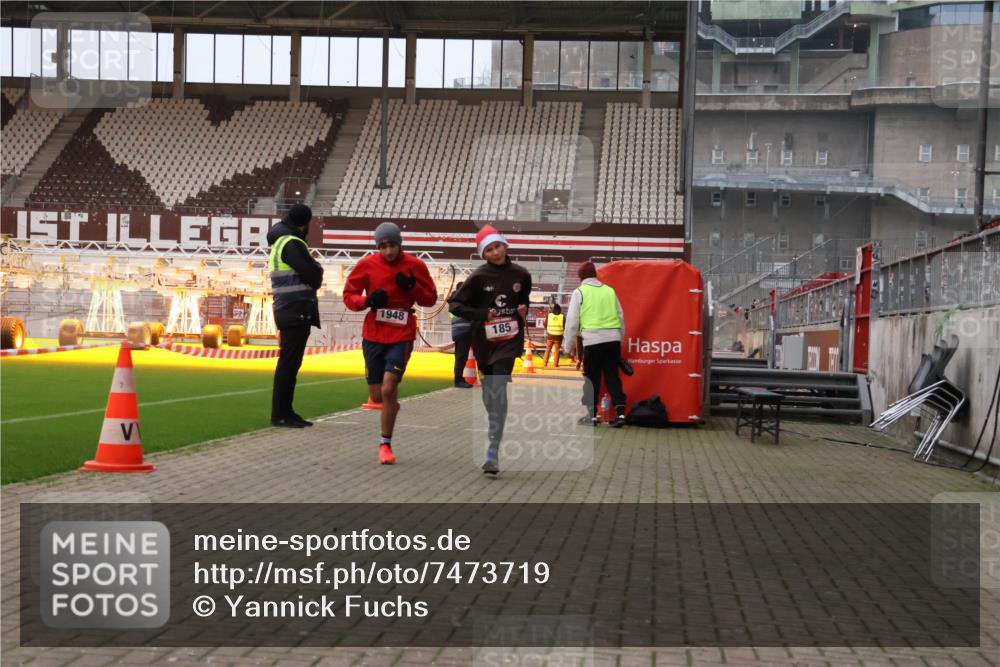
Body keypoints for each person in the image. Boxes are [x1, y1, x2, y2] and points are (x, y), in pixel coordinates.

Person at [343, 222, 437, 464]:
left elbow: (430, 298)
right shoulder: (367, 264)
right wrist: (367, 300)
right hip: (374, 333)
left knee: (388, 388)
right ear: (378, 246)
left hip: (401, 334)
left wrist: (412, 287)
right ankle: (390, 406)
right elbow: (349, 295)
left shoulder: (416, 266)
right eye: (383, 246)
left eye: (392, 245)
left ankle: (385, 445)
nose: (388, 251)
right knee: (377, 396)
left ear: (400, 244)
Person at [449, 225, 532, 475]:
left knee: (498, 385)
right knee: (489, 395)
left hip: (509, 341)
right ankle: (494, 426)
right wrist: (483, 314)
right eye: (489, 250)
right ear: (483, 254)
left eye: (497, 246)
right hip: (484, 342)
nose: (495, 252)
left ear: (505, 245)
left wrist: (523, 309)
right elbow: (455, 305)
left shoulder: (521, 274)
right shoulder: (478, 277)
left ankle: (493, 450)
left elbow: (523, 299)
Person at [267, 204, 324, 428]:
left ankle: (285, 411)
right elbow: (314, 276)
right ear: (304, 224)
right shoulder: (293, 243)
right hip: (295, 309)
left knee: (289, 364)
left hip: (288, 309)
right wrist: (317, 268)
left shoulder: (281, 241)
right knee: (289, 365)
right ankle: (281, 414)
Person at [564, 261, 627, 428]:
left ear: (580, 277)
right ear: (595, 275)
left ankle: (592, 415)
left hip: (592, 340)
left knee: (592, 378)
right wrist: (619, 340)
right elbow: (620, 317)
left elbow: (572, 321)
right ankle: (620, 412)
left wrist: (567, 346)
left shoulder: (580, 292)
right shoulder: (609, 291)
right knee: (612, 376)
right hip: (612, 340)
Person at [450, 281, 474, 388]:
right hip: (465, 330)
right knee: (461, 357)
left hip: (458, 331)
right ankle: (458, 380)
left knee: (460, 357)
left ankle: (459, 379)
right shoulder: (461, 300)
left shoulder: (453, 300)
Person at [543, 303, 564, 368]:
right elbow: (564, 326)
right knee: (557, 350)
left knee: (548, 349)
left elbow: (545, 325)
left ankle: (545, 363)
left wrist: (549, 330)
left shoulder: (549, 316)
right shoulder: (562, 316)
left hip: (550, 335)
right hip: (558, 336)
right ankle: (555, 364)